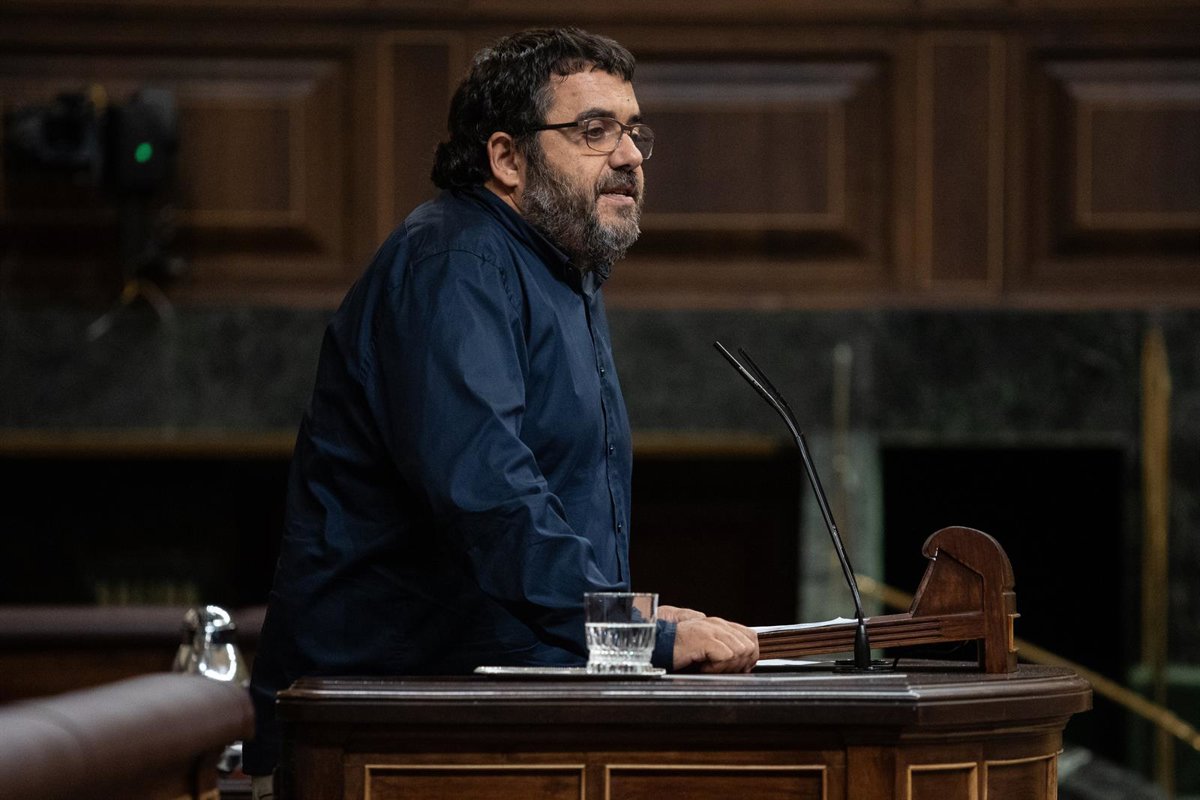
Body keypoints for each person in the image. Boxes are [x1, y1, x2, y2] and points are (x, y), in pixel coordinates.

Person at [243, 26, 759, 792]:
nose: (629, 155)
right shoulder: (455, 262)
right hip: (376, 730)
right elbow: (485, 491)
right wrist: (631, 634)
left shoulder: (559, 270)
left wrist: (629, 618)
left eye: (633, 130)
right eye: (594, 130)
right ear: (507, 158)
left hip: (476, 717)